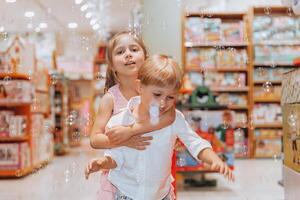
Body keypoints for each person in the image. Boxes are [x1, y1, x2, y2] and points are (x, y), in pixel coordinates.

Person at [86, 55, 235, 200]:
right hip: (126, 193)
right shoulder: (120, 121)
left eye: (170, 97)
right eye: (157, 94)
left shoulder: (175, 119)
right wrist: (103, 163)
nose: (163, 103)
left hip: (161, 194)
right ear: (140, 87)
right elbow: (117, 156)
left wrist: (214, 159)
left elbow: (195, 142)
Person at [89, 31, 176, 199]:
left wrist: (130, 131)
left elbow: (170, 116)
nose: (128, 54)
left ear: (146, 57)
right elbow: (95, 139)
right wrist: (125, 140)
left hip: (154, 176)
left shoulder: (157, 91)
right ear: (112, 66)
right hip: (121, 180)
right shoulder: (110, 99)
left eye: (134, 49)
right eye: (120, 52)